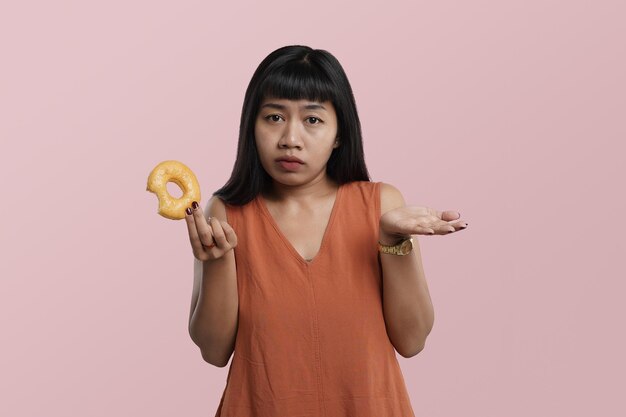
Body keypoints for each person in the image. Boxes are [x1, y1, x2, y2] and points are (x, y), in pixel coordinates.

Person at [185, 45, 467, 417]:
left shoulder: (382, 205)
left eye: (312, 120)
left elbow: (412, 341)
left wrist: (394, 242)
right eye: (273, 117)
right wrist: (220, 262)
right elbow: (214, 351)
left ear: (339, 134)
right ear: (251, 127)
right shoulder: (226, 212)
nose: (290, 138)